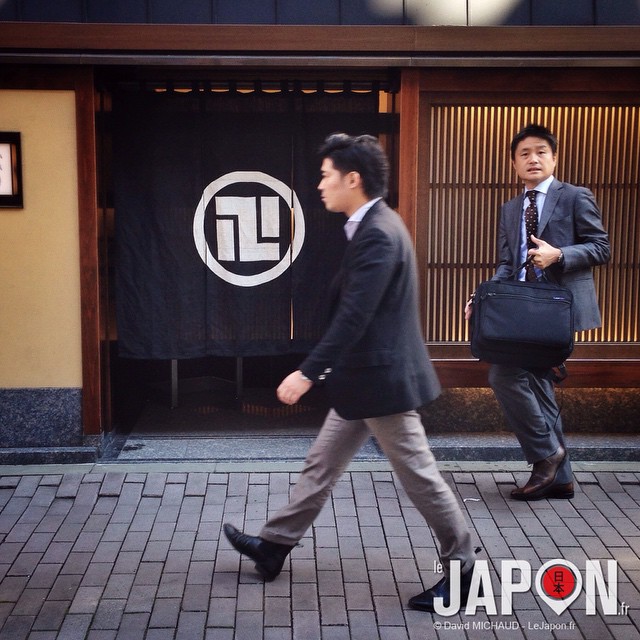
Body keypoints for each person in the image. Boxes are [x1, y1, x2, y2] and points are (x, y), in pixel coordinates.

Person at [224, 133, 477, 612]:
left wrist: (307, 372)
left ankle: (464, 570)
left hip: (381, 383)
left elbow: (356, 314)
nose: (320, 184)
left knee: (421, 477)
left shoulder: (379, 232)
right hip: (363, 379)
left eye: (325, 175)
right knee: (322, 464)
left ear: (352, 179)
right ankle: (274, 545)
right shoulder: (372, 225)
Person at [466, 123, 610, 501]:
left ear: (555, 157)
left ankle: (546, 455)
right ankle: (559, 477)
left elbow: (601, 248)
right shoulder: (510, 208)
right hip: (520, 312)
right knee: (540, 386)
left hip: (558, 311)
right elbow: (505, 263)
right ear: (514, 163)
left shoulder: (576, 196)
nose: (533, 158)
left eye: (541, 151)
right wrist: (484, 299)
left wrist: (558, 254)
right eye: (525, 153)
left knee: (503, 374)